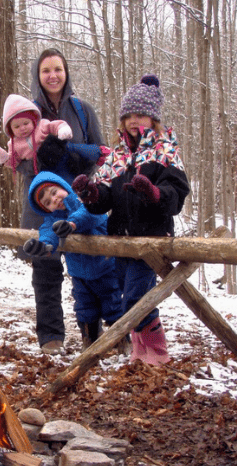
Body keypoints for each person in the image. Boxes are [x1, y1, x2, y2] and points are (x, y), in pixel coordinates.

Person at [72, 74, 190, 364]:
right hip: (120, 238)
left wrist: (153, 193)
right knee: (128, 292)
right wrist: (91, 193)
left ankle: (157, 353)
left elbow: (177, 193)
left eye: (142, 115)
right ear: (123, 120)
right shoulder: (119, 154)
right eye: (130, 116)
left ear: (153, 118)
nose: (135, 121)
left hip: (151, 238)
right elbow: (105, 197)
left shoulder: (165, 149)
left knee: (135, 299)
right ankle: (141, 351)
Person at [15, 48, 107, 355]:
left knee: (91, 267)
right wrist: (43, 158)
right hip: (41, 203)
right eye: (45, 71)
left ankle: (92, 333)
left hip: (78, 201)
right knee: (46, 268)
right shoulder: (25, 114)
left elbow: (101, 152)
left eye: (58, 69)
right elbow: (19, 161)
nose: (52, 75)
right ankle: (51, 337)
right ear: (37, 76)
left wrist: (75, 156)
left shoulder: (82, 110)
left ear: (66, 73)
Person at [22, 171, 123, 352]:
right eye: (47, 202)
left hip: (106, 267)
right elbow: (48, 233)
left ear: (63, 186)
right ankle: (90, 344)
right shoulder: (53, 220)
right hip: (79, 275)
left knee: (113, 305)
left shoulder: (86, 202)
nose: (54, 200)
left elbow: (91, 215)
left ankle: (123, 341)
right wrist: (43, 246)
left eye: (54, 192)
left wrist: (71, 225)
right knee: (85, 309)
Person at [0, 94, 73, 176]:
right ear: (11, 129)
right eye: (17, 127)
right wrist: (5, 159)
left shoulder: (41, 125)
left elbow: (54, 125)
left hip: (58, 158)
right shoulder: (13, 144)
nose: (22, 128)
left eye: (26, 123)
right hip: (39, 172)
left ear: (32, 120)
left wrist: (62, 129)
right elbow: (15, 162)